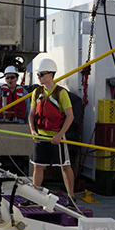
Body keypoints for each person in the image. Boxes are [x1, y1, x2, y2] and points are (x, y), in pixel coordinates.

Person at [20, 58, 77, 209]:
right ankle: (34, 196)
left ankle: (71, 197)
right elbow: (31, 115)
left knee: (65, 166)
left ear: (51, 75)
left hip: (56, 136)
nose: (39, 77)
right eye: (38, 74)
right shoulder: (36, 92)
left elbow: (70, 117)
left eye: (42, 74)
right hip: (40, 136)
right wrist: (33, 131)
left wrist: (59, 135)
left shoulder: (61, 93)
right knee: (37, 166)